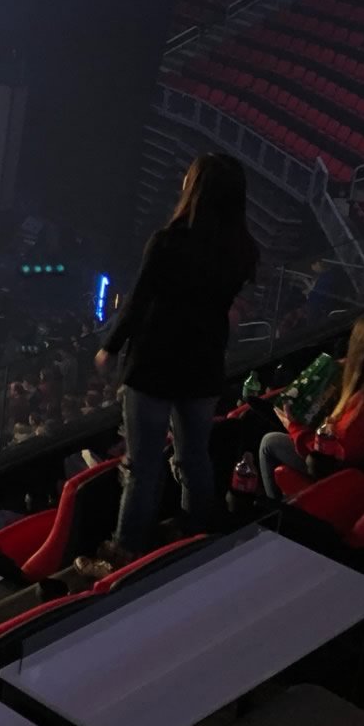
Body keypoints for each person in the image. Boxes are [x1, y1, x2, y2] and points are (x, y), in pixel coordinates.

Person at [97, 153, 258, 556]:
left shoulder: (168, 242)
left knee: (142, 467)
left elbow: (138, 301)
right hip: (203, 365)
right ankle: (196, 533)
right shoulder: (243, 250)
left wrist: (110, 347)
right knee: (193, 458)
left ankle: (126, 552)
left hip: (154, 365)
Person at [260, 315, 364, 493]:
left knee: (269, 443)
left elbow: (332, 455)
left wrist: (294, 428)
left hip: (342, 474)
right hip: (361, 472)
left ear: (360, 352)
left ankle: (274, 513)